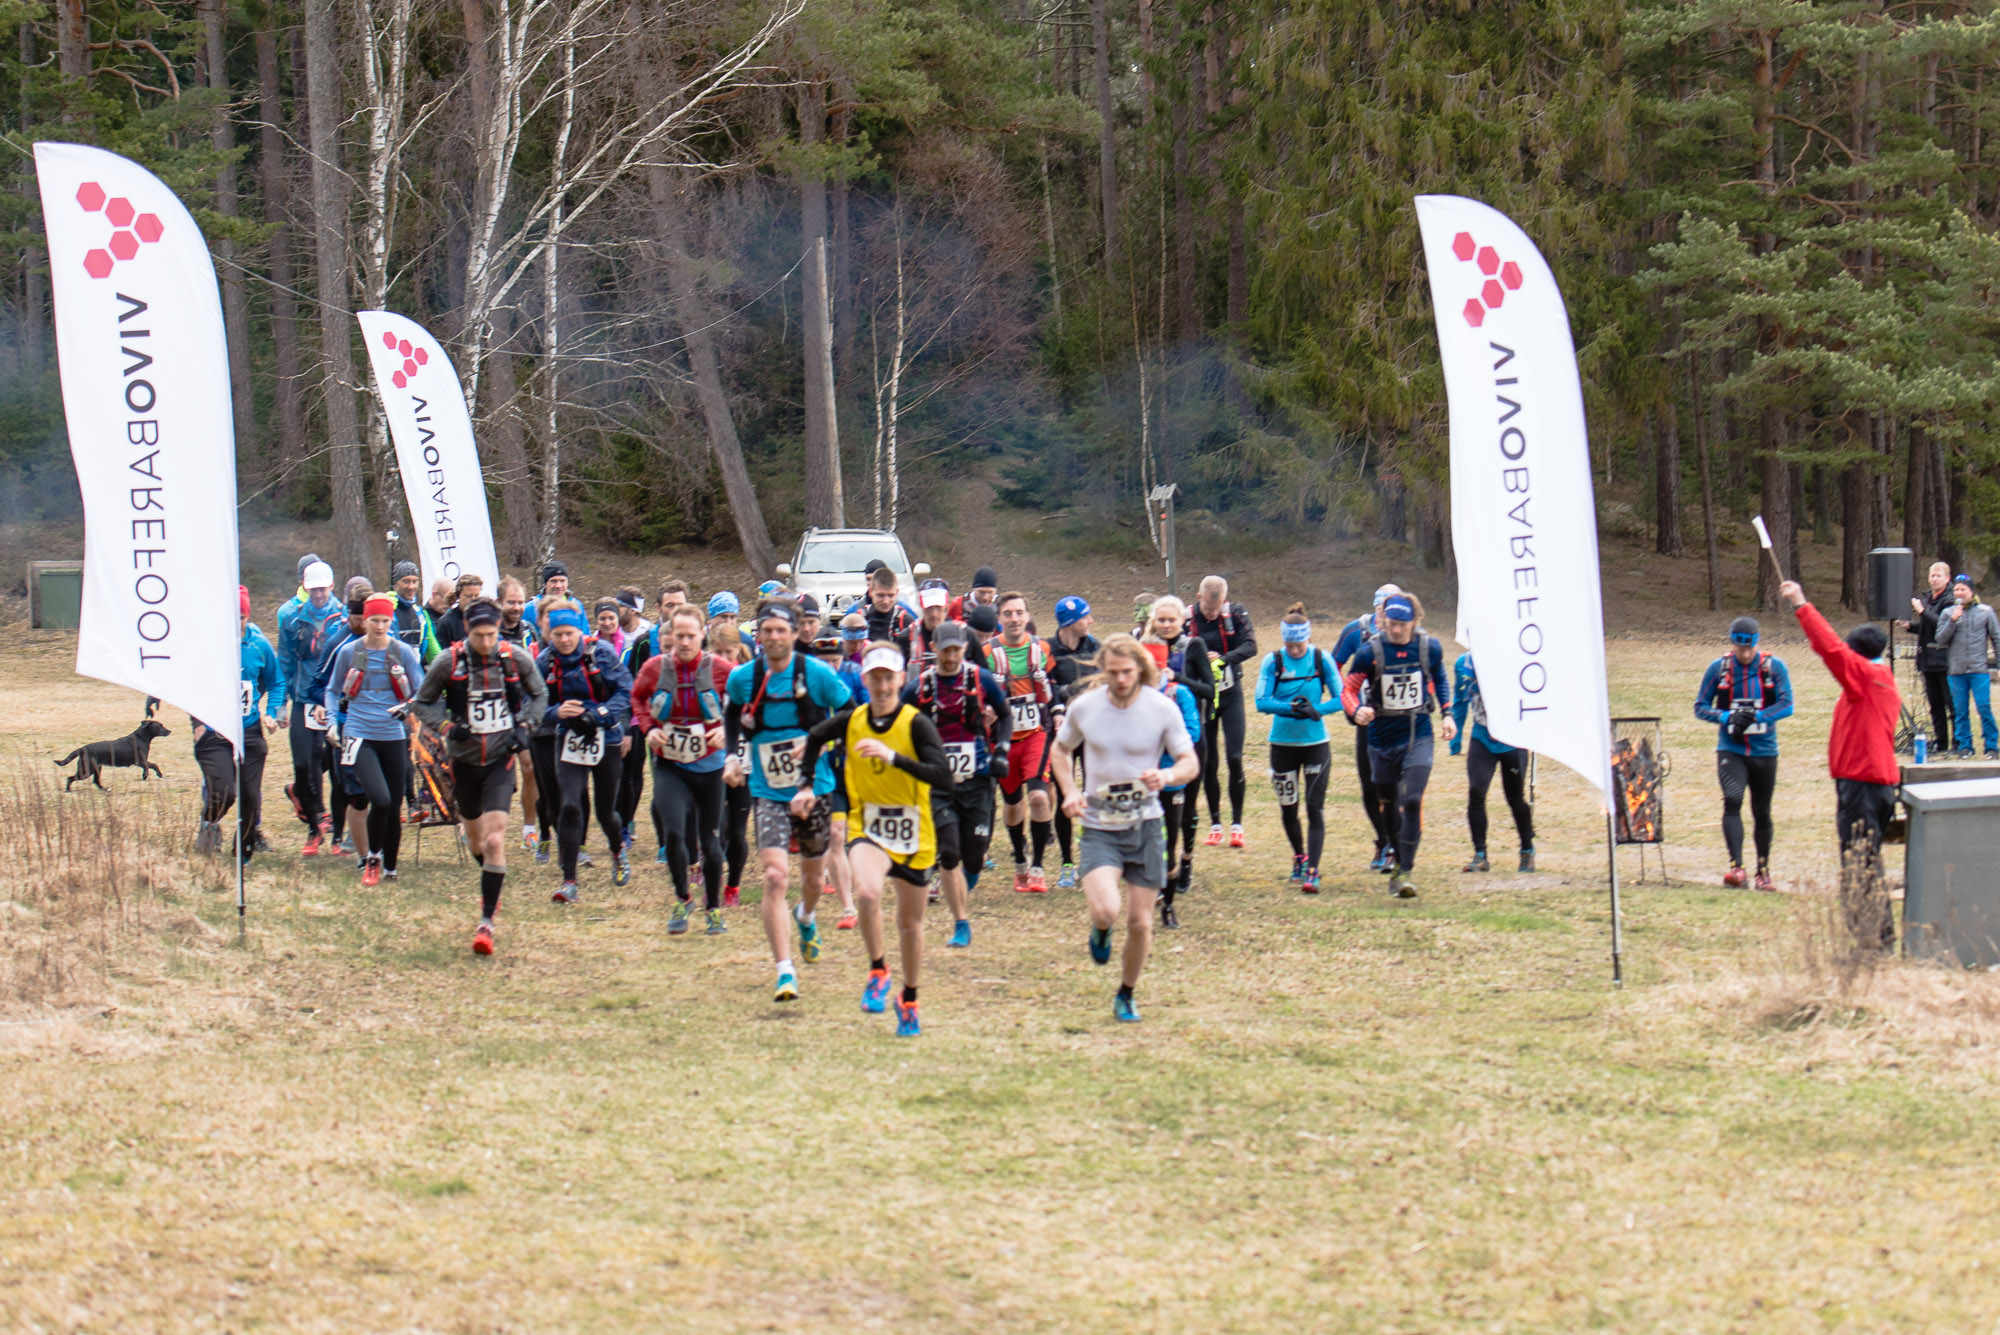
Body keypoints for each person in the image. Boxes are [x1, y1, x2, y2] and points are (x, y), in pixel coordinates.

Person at [798, 643, 954, 1036]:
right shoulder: (853, 721)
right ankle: (878, 969)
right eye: (875, 678)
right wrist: (804, 784)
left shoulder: (916, 723)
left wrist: (894, 758)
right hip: (866, 826)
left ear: (901, 679)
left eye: (889, 677)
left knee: (910, 923)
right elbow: (815, 737)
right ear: (864, 680)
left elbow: (943, 776)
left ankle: (910, 997)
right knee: (868, 893)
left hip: (914, 833)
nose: (882, 685)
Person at [1052, 634, 1199, 1023]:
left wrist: (1166, 775)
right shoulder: (1085, 707)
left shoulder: (1161, 708)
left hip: (1146, 825)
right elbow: (1060, 750)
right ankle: (1100, 930)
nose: (1120, 680)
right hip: (1100, 825)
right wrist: (1068, 791)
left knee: (1139, 922)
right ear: (1102, 670)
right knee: (1105, 910)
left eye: (1127, 672)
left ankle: (1126, 993)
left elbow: (1190, 761)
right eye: (1112, 672)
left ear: (1141, 670)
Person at [724, 599, 854, 1002]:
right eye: (767, 631)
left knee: (813, 879)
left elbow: (849, 711)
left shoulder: (816, 674)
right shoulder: (744, 678)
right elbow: (731, 716)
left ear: (795, 634)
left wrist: (819, 744)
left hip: (815, 788)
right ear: (759, 636)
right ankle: (784, 971)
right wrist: (731, 755)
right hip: (768, 792)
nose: (774, 637)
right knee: (776, 876)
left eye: (782, 630)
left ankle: (807, 915)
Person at [410, 598, 547, 955]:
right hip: (464, 764)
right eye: (479, 635)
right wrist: (446, 726)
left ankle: (486, 922)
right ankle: (492, 880)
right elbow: (422, 702)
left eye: (492, 634)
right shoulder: (449, 662)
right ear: (467, 631)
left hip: (500, 762)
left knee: (495, 840)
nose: (486, 642)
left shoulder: (514, 658)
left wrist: (526, 726)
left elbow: (539, 693)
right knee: (477, 844)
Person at [1780, 579, 1900, 951]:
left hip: (1862, 785)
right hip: (1873, 784)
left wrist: (1802, 604)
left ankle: (1871, 940)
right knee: (1868, 858)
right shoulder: (1883, 679)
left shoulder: (1864, 678)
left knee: (1859, 860)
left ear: (1857, 656)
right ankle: (1877, 935)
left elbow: (1829, 648)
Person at [1340, 593, 1454, 898]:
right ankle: (1394, 852)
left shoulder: (1429, 647)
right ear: (1384, 622)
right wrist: (1355, 710)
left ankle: (1406, 870)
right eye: (1391, 624)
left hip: (1418, 735)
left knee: (1412, 799)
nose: (1397, 631)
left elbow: (1441, 678)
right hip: (1380, 740)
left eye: (1403, 625)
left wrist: (1447, 714)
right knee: (1388, 802)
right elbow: (1348, 689)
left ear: (1414, 622)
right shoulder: (1370, 652)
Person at [905, 621, 1011, 948]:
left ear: (964, 649)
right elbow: (901, 724)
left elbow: (1005, 715)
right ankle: (961, 922)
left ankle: (966, 882)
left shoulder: (981, 679)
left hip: (977, 780)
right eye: (945, 650)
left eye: (957, 650)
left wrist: (1003, 751)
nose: (951, 656)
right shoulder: (919, 687)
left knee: (974, 858)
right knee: (949, 853)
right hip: (939, 784)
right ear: (934, 649)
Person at [630, 605, 731, 936]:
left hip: (711, 766)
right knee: (674, 833)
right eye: (679, 636)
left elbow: (744, 702)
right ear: (670, 635)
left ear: (703, 634)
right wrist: (648, 729)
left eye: (691, 635)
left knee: (710, 841)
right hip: (670, 764)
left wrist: (726, 731)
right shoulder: (654, 667)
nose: (685, 642)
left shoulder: (720, 669)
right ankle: (682, 896)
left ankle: (713, 909)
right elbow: (638, 697)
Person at [537, 599, 634, 902]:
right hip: (568, 740)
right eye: (558, 635)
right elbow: (532, 704)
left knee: (606, 812)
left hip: (606, 737)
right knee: (568, 806)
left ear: (579, 632)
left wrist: (602, 713)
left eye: (569, 634)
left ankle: (618, 852)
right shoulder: (544, 661)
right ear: (550, 636)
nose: (564, 640)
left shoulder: (601, 653)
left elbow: (626, 691)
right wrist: (556, 713)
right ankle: (569, 880)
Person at [324, 595, 424, 886]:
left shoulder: (402, 652)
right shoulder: (350, 652)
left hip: (392, 734)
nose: (380, 626)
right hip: (358, 733)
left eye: (385, 621)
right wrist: (332, 723)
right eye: (374, 620)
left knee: (393, 807)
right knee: (378, 799)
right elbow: (332, 690)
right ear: (364, 621)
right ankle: (371, 858)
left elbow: (420, 691)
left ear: (391, 622)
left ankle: (390, 868)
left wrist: (407, 707)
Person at [1693, 615, 1795, 891]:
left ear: (1757, 644)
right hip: (1731, 749)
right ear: (1732, 644)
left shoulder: (1773, 668)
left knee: (1762, 811)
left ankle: (1763, 871)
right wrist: (1727, 718)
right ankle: (1736, 868)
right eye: (1741, 648)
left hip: (1765, 751)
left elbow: (1788, 705)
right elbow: (1700, 706)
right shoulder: (1719, 669)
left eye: (1750, 648)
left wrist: (1757, 716)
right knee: (1732, 800)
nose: (1746, 654)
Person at [194, 587, 285, 860]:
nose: (236, 623)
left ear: (248, 616)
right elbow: (192, 683)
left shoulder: (259, 645)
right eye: (231, 617)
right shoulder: (208, 643)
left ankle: (243, 850)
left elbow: (277, 681)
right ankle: (209, 823)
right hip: (214, 730)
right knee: (224, 792)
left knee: (250, 796)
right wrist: (197, 722)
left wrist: (272, 712)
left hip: (250, 728)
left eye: (242, 617)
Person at [1254, 604, 1341, 893]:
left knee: (1314, 808)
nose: (1294, 650)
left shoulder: (1321, 659)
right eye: (1289, 644)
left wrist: (1316, 711)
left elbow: (1342, 698)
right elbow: (1261, 701)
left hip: (1316, 745)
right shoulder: (1273, 661)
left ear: (1308, 638)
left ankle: (1313, 871)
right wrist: (1292, 709)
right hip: (1282, 746)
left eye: (1299, 644)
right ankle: (1299, 856)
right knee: (1288, 810)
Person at [1142, 596, 1215, 899]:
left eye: (1171, 620)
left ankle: (1185, 859)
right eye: (1161, 620)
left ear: (1182, 621)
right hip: (1151, 743)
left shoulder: (1192, 646)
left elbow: (1209, 690)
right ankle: (1156, 866)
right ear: (1153, 621)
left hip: (1190, 738)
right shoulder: (1143, 643)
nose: (1166, 625)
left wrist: (1179, 679)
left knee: (1186, 809)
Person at [277, 560, 346, 854]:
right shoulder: (292, 618)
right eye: (313, 590)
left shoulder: (342, 616)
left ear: (332, 587)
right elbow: (285, 661)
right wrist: (281, 704)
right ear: (306, 589)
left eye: (323, 589)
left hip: (335, 700)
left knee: (338, 768)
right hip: (303, 699)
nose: (318, 594)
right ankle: (313, 827)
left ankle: (338, 836)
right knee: (304, 766)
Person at [991, 592, 1058, 892]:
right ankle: (1020, 858)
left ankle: (1038, 867)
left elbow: (1056, 684)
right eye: (1008, 614)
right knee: (1013, 803)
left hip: (1036, 734)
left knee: (1039, 797)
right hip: (1004, 737)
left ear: (1028, 616)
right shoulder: (987, 652)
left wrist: (1058, 710)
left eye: (1020, 613)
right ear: (999, 619)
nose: (1015, 619)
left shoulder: (1042, 647)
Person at [1451, 650, 1535, 874]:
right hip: (1481, 737)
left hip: (1512, 740)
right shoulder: (1463, 664)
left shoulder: (1514, 658)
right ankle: (1480, 855)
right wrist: (1456, 738)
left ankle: (1527, 849)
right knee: (1476, 791)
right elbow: (1460, 700)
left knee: (1515, 798)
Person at [1139, 636, 1202, 928]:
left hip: (1171, 780)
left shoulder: (1180, 694)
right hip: (1138, 779)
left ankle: (1168, 905)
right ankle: (1146, 896)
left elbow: (1193, 732)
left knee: (1169, 841)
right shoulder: (1131, 694)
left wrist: (1165, 745)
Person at [1190, 576, 1257, 849]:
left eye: (1216, 609)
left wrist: (1224, 659)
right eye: (1208, 609)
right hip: (1204, 698)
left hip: (1231, 696)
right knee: (1209, 762)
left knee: (1235, 758)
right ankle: (1215, 824)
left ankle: (1237, 824)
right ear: (1199, 597)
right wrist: (1198, 659)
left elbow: (1251, 645)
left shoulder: (1236, 614)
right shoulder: (1187, 619)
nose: (1212, 613)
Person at [706, 598, 756, 905]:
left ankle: (733, 886)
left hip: (745, 761)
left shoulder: (752, 678)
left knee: (737, 830)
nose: (724, 658)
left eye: (729, 652)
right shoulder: (703, 676)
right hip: (712, 759)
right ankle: (712, 876)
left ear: (739, 651)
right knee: (715, 826)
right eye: (719, 652)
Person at [1046, 595, 1098, 888]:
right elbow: (1047, 687)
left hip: (1093, 734)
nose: (1090, 621)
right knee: (1066, 797)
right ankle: (1067, 863)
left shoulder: (1096, 647)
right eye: (1085, 616)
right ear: (1069, 622)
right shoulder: (1048, 650)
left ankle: (1091, 858)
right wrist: (1070, 696)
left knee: (1094, 795)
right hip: (1063, 734)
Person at [1934, 573, 2000, 759]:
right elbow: (1940, 640)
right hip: (1956, 670)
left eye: (1963, 589)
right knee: (1960, 710)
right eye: (1956, 590)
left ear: (1971, 591)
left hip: (1979, 669)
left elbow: (1996, 638)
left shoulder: (1985, 612)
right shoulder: (1948, 613)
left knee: (1984, 707)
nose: (1959, 593)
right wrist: (1953, 620)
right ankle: (1965, 745)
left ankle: (1991, 746)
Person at [1906, 561, 1956, 750]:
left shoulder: (1950, 599)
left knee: (1951, 705)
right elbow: (1927, 627)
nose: (1934, 579)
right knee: (1935, 705)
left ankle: (1958, 742)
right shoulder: (1927, 597)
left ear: (1947, 578)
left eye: (1938, 576)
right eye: (1931, 575)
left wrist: (1922, 611)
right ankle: (1940, 742)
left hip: (1945, 660)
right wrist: (1910, 626)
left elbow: (1942, 626)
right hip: (1927, 659)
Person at [390, 561, 442, 665]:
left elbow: (432, 651)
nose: (411, 587)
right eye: (406, 581)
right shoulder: (389, 610)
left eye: (415, 581)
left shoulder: (420, 614)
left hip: (414, 674)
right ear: (395, 584)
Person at [862, 566, 918, 656]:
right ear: (870, 591)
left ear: (897, 592)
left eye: (890, 596)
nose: (886, 601)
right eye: (881, 595)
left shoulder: (905, 621)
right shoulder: (860, 618)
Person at [431, 573, 485, 649]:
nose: (473, 600)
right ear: (459, 596)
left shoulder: (484, 620)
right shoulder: (446, 623)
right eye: (468, 596)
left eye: (476, 596)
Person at [911, 581, 951, 670]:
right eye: (929, 607)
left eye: (938, 607)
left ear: (946, 607)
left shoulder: (962, 634)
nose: (934, 614)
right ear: (921, 607)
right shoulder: (908, 637)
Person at [522, 560, 570, 631]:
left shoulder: (576, 605)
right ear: (545, 583)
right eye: (553, 581)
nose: (558, 585)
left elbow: (584, 636)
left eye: (562, 581)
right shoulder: (529, 609)